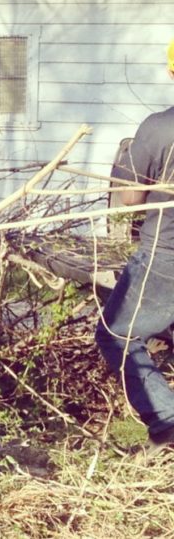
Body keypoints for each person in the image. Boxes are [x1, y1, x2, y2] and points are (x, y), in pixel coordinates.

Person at [96, 38, 174, 448]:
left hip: (166, 256)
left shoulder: (159, 127)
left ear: (171, 71)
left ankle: (166, 421)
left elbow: (129, 200)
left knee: (115, 333)